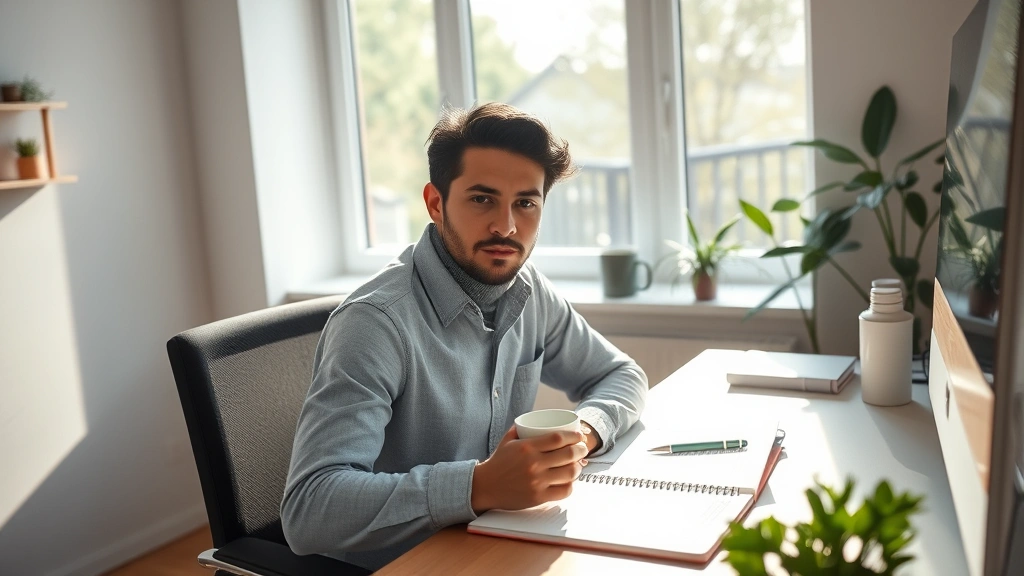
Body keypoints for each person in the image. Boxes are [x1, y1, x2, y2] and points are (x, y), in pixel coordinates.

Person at [281, 102, 648, 571]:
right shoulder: (375, 323)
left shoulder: (530, 290)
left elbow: (622, 374)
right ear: (436, 203)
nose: (507, 226)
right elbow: (310, 511)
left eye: (526, 203)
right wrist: (479, 486)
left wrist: (584, 432)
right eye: (482, 199)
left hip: (497, 544)